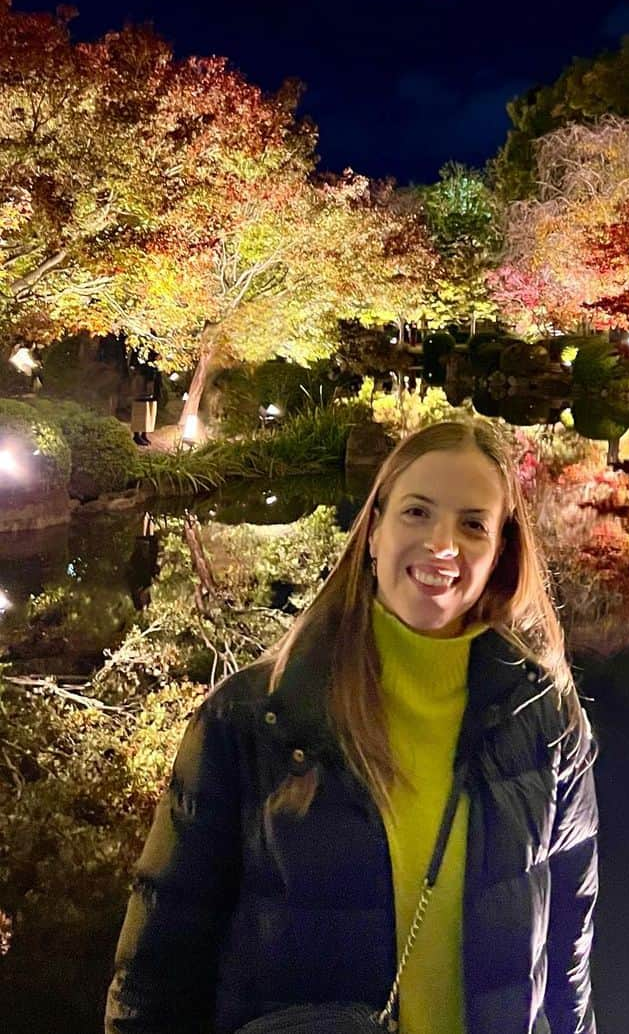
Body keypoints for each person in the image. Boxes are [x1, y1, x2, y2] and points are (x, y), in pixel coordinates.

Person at [105, 419, 598, 1034]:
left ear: (501, 550)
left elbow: (569, 939)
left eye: (473, 524)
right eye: (417, 513)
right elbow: (157, 972)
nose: (443, 544)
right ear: (373, 531)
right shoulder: (256, 717)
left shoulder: (542, 716)